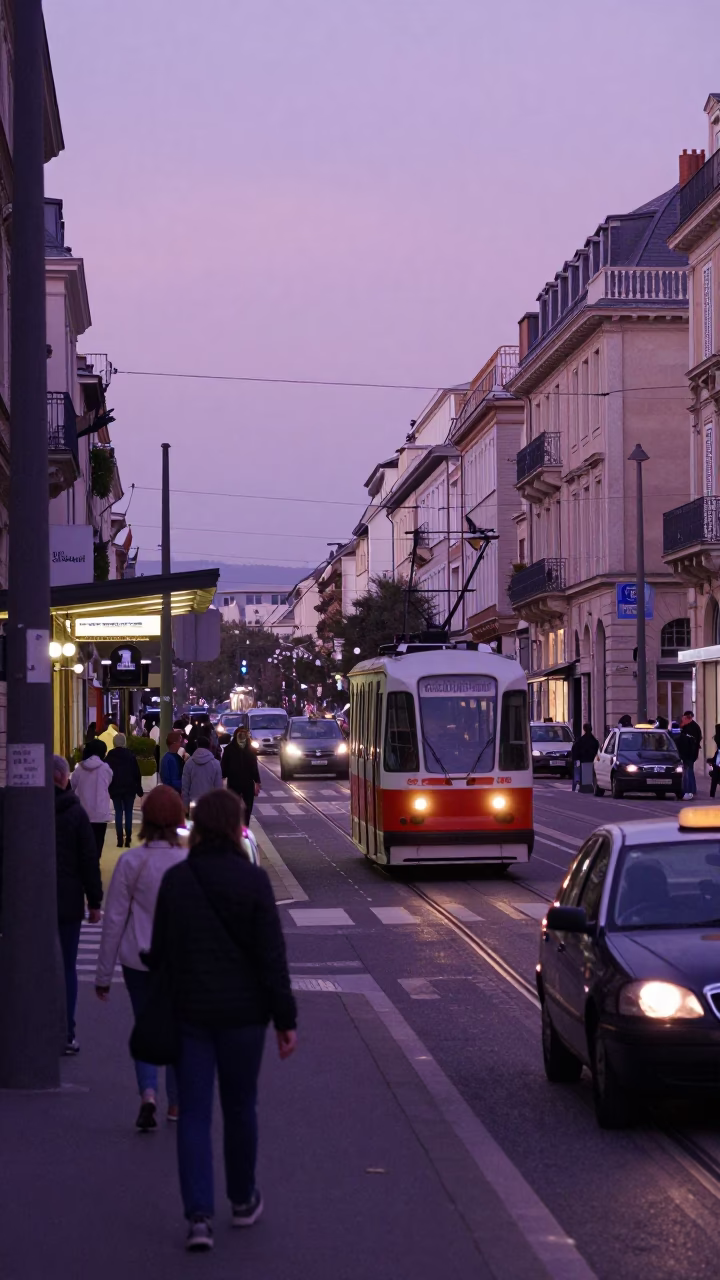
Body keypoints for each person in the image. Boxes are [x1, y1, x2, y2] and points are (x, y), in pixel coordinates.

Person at [145, 788, 297, 1252]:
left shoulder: (177, 881)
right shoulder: (254, 882)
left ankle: (198, 1217)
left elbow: (161, 955)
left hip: (190, 1013)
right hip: (244, 1017)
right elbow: (272, 956)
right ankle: (243, 1198)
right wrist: (284, 1019)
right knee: (239, 1107)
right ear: (235, 828)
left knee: (193, 1113)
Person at [95, 786, 187, 1130]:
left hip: (138, 959)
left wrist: (103, 975)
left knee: (146, 1027)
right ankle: (177, 1104)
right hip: (179, 963)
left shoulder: (131, 862)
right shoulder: (188, 861)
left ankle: (148, 1094)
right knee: (180, 1028)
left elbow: (115, 919)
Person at [54, 755, 103, 1055]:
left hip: (30, 903)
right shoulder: (75, 813)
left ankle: (31, 1027)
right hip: (69, 901)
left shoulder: (24, 808)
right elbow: (88, 860)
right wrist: (94, 901)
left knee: (30, 964)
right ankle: (66, 1032)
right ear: (63, 778)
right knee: (67, 967)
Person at [71, 740, 113, 858]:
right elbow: (109, 782)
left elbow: (73, 785)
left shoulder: (79, 768)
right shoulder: (105, 768)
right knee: (98, 842)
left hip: (83, 812)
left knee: (83, 843)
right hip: (100, 813)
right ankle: (94, 865)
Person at [106, 733, 144, 849]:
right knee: (128, 812)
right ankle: (128, 838)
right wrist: (139, 788)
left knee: (118, 812)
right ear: (124, 742)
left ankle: (119, 839)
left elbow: (106, 773)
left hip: (115, 788)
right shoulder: (130, 755)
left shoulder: (109, 756)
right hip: (129, 788)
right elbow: (137, 773)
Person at [221, 726, 261, 821]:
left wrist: (257, 782)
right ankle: (237, 824)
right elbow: (224, 767)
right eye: (241, 733)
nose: (243, 735)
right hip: (236, 782)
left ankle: (244, 825)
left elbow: (254, 767)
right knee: (235, 806)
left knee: (246, 807)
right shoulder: (229, 749)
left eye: (245, 733)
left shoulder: (250, 749)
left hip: (246, 783)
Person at [181, 735, 222, 812]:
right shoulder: (215, 763)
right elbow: (218, 787)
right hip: (210, 803)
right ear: (209, 746)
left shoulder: (189, 763)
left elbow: (185, 786)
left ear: (197, 745)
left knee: (194, 823)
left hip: (193, 803)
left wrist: (185, 805)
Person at [678, 710, 702, 800]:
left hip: (689, 753)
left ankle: (689, 789)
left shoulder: (692, 728)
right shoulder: (689, 726)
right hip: (688, 753)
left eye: (684, 718)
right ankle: (692, 789)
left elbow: (690, 742)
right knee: (689, 771)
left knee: (688, 771)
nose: (683, 720)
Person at [571, 722, 599, 792]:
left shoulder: (581, 740)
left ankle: (578, 787)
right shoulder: (594, 741)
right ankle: (587, 786)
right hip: (591, 760)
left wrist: (575, 759)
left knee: (579, 774)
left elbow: (575, 750)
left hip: (583, 760)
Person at [709, 725, 720, 799]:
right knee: (715, 778)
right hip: (717, 762)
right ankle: (712, 794)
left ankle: (712, 794)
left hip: (717, 762)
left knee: (715, 779)